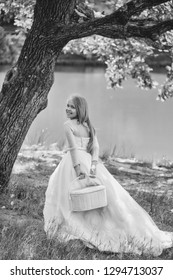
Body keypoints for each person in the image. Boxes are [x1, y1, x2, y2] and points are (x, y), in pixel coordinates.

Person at [43, 95, 173, 256]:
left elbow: (73, 149)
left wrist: (78, 168)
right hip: (90, 162)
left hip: (74, 162)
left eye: (72, 107)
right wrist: (94, 165)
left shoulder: (68, 125)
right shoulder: (88, 125)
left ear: (80, 109)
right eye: (67, 105)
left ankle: (76, 225)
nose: (67, 109)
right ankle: (97, 224)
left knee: (71, 193)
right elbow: (95, 149)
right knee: (99, 196)